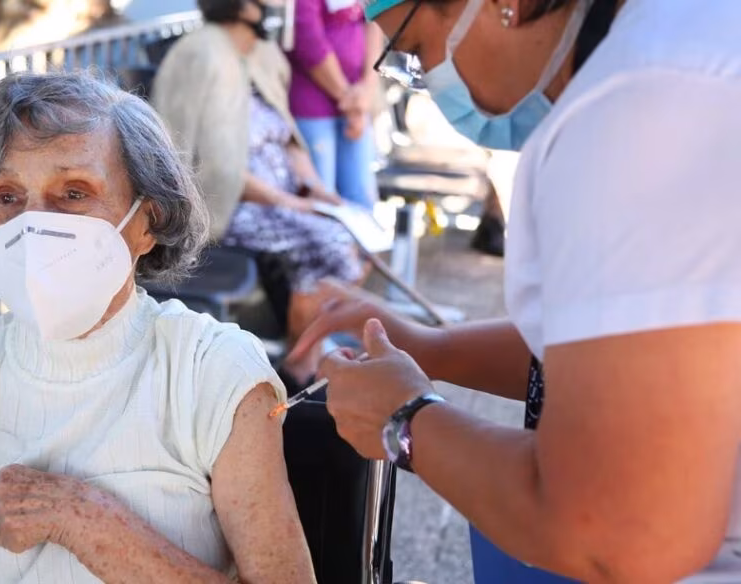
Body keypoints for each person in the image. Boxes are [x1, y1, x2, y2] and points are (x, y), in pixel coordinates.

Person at [291, 0, 741, 582]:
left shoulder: (633, 114)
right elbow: (628, 354)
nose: (427, 81)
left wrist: (404, 422)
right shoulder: (683, 49)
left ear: (506, 5)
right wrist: (432, 349)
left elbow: (613, 530)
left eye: (416, 50)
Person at [0, 71, 316, 584]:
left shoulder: (211, 372)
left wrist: (92, 524)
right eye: (7, 196)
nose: (33, 224)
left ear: (147, 223)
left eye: (74, 193)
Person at [151, 0, 365, 383]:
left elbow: (289, 139)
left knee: (355, 230)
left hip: (281, 200)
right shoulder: (201, 54)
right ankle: (299, 365)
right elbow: (216, 167)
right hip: (229, 207)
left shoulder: (261, 56)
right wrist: (290, 203)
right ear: (242, 8)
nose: (277, 6)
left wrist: (315, 189)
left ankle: (308, 350)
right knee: (330, 242)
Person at [287, 0, 382, 210]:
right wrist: (351, 103)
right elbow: (309, 42)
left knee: (361, 197)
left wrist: (367, 86)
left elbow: (374, 19)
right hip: (312, 106)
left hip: (358, 98)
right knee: (322, 199)